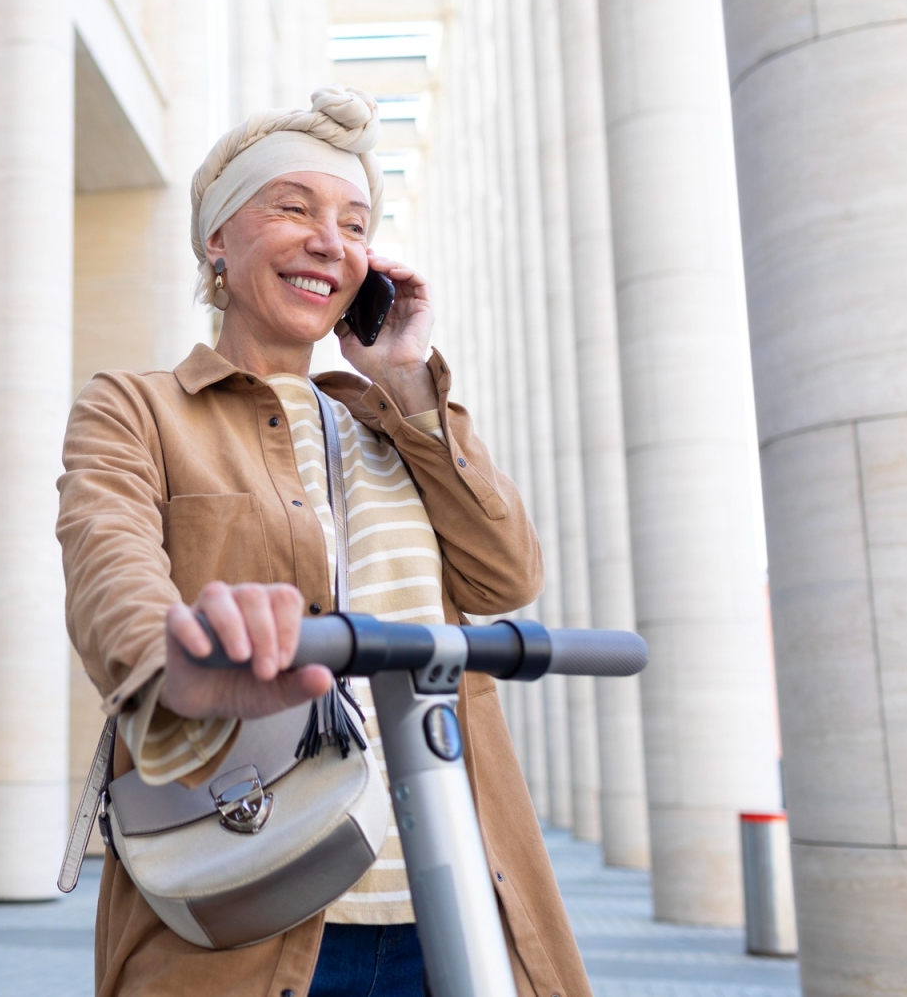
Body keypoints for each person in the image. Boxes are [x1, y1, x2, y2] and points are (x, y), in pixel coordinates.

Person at [57, 87, 591, 997]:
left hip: (460, 902)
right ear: (216, 240)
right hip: (250, 903)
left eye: (354, 223)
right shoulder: (137, 409)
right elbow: (109, 567)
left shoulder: (397, 424)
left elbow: (508, 575)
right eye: (293, 209)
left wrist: (410, 384)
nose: (328, 242)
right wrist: (176, 665)